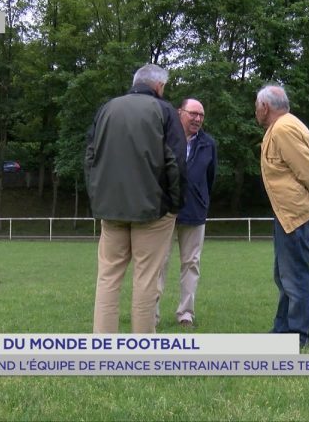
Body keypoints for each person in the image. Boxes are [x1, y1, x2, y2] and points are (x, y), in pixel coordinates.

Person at [85, 63, 187, 333]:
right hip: (153, 210)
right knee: (146, 278)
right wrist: (175, 204)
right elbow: (176, 162)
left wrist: (98, 199)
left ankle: (103, 342)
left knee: (108, 277)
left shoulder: (106, 109)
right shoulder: (164, 111)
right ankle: (143, 345)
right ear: (159, 86)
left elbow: (90, 158)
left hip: (110, 210)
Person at [255, 84, 309, 349]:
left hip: (297, 215)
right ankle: (282, 329)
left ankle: (298, 335)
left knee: (295, 276)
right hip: (289, 214)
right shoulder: (284, 127)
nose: (256, 111)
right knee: (284, 275)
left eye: (257, 107)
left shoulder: (283, 129)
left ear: (265, 107)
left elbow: (308, 170)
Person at [156, 98, 217, 328]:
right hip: (164, 212)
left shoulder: (209, 144)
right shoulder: (165, 139)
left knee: (191, 263)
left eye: (201, 115)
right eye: (193, 114)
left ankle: (186, 314)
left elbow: (210, 179)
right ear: (180, 112)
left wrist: (201, 200)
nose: (198, 119)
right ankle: (150, 314)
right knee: (158, 263)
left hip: (194, 212)